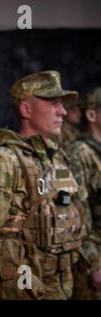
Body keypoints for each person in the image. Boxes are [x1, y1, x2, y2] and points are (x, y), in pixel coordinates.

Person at [0, 70, 94, 300]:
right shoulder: (5, 160)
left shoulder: (57, 156)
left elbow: (76, 211)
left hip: (60, 285)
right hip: (23, 287)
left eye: (62, 105)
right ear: (26, 109)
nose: (62, 111)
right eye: (53, 103)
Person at [68, 87, 101, 299]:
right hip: (95, 254)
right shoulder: (80, 153)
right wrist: (94, 263)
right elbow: (77, 211)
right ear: (91, 115)